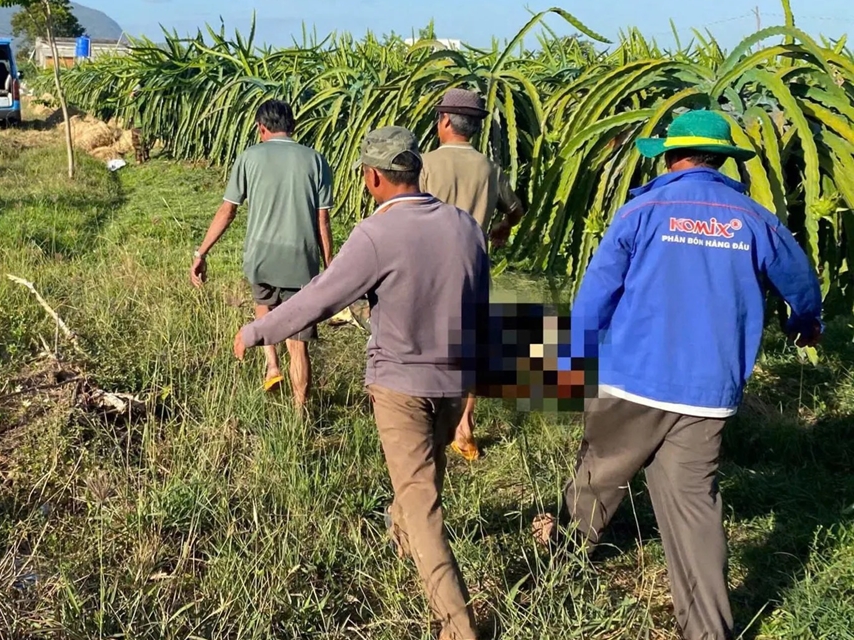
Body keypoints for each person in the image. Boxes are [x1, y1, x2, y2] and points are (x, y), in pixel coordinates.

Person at [535, 109, 824, 640]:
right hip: (708, 391)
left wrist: (570, 358)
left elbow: (598, 292)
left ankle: (556, 571)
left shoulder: (643, 210)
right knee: (693, 506)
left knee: (599, 477)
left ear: (670, 157)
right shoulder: (753, 218)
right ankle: (709, 629)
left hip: (632, 381)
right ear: (722, 161)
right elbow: (800, 278)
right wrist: (805, 323)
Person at [234, 127, 489, 640]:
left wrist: (259, 329)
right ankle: (403, 541)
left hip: (401, 385)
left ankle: (457, 627)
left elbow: (319, 298)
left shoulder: (377, 233)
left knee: (421, 501)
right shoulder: (465, 227)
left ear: (373, 177)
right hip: (453, 379)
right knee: (424, 479)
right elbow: (480, 307)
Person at [190, 99, 334, 409]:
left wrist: (201, 252)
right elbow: (323, 220)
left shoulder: (248, 158)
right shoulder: (316, 160)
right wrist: (330, 268)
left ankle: (271, 365)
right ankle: (299, 412)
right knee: (298, 344)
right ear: (291, 126)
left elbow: (228, 211)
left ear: (261, 128)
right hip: (301, 260)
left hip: (261, 257)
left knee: (263, 306)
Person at [420, 87, 527, 463]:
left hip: (429, 269)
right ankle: (464, 426)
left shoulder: (426, 165)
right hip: (474, 268)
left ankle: (429, 417)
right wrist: (501, 228)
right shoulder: (489, 168)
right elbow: (516, 210)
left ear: (445, 121)